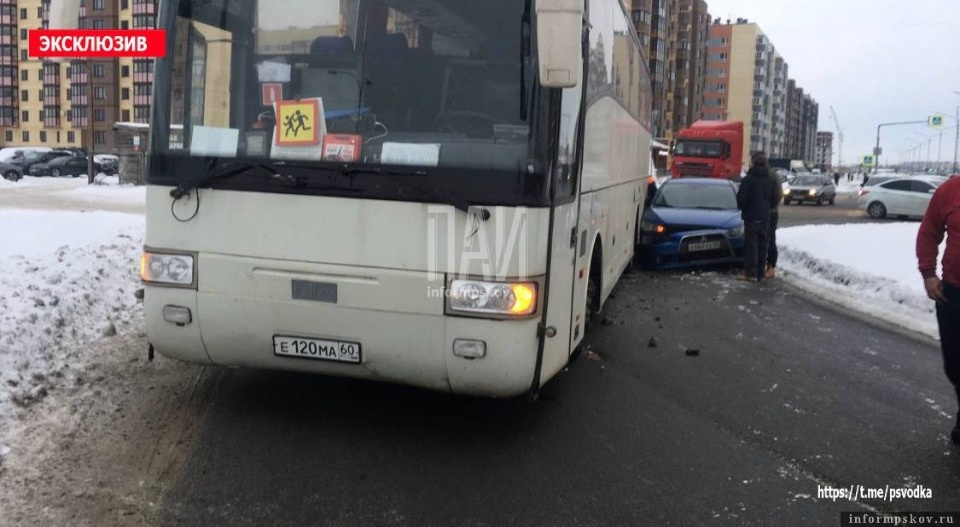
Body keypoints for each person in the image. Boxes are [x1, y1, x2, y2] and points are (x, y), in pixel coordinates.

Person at [916, 174, 960, 446]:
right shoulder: (951, 190)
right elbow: (929, 232)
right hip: (954, 294)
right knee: (955, 363)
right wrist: (929, 274)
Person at [736, 152, 780, 282]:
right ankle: (761, 273)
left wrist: (745, 208)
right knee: (763, 245)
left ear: (753, 163)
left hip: (751, 217)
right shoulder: (771, 179)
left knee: (751, 245)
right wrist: (767, 208)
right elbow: (776, 198)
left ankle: (750, 273)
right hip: (765, 217)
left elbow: (741, 200)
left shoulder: (748, 179)